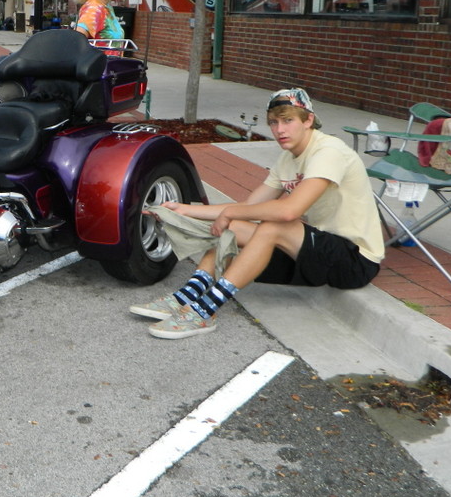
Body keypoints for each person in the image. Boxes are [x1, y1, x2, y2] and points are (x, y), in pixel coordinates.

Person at [131, 87, 385, 339]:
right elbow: (249, 206)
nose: (279, 130)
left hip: (355, 261)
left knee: (274, 226)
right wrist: (185, 210)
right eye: (273, 122)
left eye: (288, 120)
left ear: (308, 120)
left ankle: (204, 310)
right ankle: (186, 296)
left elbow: (289, 211)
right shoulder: (287, 160)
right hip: (315, 252)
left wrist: (230, 212)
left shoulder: (328, 151)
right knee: (231, 227)